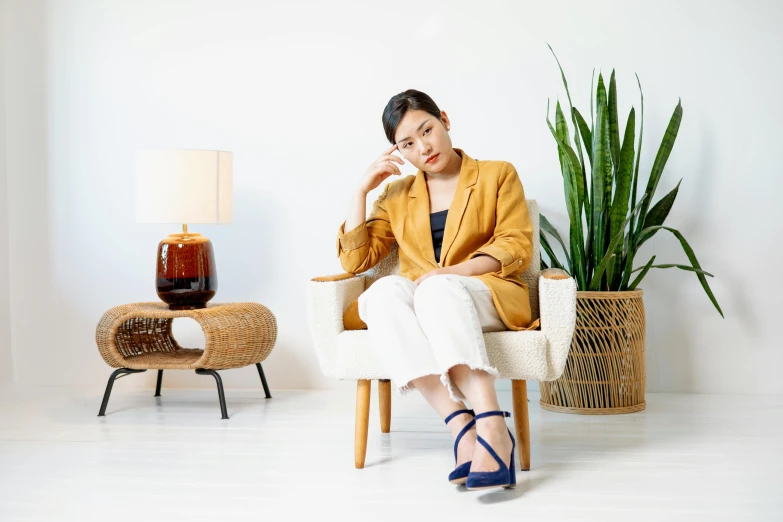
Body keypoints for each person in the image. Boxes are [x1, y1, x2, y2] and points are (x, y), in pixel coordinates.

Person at [336, 89, 535, 490]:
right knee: (381, 294)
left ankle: (493, 427)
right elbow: (356, 262)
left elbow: (516, 245)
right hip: (429, 300)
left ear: (444, 118)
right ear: (398, 151)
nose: (423, 147)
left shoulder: (497, 174)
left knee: (438, 290)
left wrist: (454, 273)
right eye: (407, 144)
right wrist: (361, 191)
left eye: (427, 130)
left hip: (487, 294)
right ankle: (460, 425)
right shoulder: (395, 195)